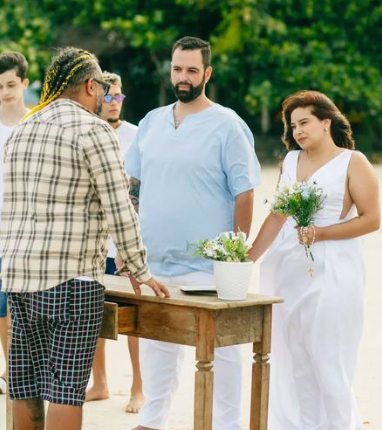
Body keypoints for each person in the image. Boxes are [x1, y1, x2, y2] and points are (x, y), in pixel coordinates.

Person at [0, 46, 169, 430]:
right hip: (71, 282)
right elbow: (120, 207)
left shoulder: (22, 129)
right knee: (65, 390)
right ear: (91, 86)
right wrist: (140, 269)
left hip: (18, 278)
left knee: (24, 387)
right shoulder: (94, 130)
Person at [124, 36, 261, 430]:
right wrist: (133, 253)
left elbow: (245, 191)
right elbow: (133, 187)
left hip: (208, 266)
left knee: (225, 354)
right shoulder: (151, 122)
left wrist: (233, 255)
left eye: (191, 71)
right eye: (177, 69)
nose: (182, 78)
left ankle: (227, 425)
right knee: (156, 347)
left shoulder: (228, 125)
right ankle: (153, 420)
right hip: (155, 261)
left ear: (207, 73)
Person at [248, 90, 380, 430]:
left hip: (335, 268)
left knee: (328, 354)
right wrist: (245, 259)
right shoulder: (290, 162)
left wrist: (321, 234)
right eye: (292, 126)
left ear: (326, 122)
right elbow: (278, 216)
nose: (297, 131)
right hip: (288, 268)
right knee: (294, 355)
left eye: (304, 122)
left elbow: (371, 218)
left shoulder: (353, 162)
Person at [86, 71, 145, 414]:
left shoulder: (137, 136)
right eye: (108, 97)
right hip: (95, 245)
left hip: (127, 243)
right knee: (94, 317)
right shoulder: (87, 133)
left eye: (119, 97)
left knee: (134, 321)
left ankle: (138, 387)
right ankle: (101, 383)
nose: (114, 103)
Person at [0, 51, 30, 395]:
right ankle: (11, 369)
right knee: (1, 303)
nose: (6, 92)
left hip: (24, 226)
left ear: (24, 83)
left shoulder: (34, 122)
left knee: (19, 301)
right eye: (0, 86)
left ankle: (19, 370)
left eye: (11, 84)